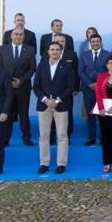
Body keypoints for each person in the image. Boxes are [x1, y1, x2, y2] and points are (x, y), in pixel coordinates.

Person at [34, 42, 74, 175]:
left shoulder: (67, 66)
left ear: (61, 52)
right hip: (44, 105)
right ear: (48, 51)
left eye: (57, 49)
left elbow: (70, 87)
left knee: (62, 135)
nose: (55, 52)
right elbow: (36, 87)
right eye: (52, 49)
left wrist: (57, 100)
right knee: (43, 136)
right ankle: (44, 164)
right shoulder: (42, 65)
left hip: (61, 105)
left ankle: (61, 164)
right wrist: (45, 100)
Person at [0, 27, 36, 146]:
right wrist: (8, 82)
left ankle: (26, 138)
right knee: (7, 112)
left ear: (24, 37)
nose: (18, 36)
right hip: (7, 87)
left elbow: (32, 68)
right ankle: (5, 139)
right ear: (11, 36)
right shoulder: (3, 49)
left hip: (23, 87)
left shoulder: (29, 49)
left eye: (21, 35)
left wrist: (21, 80)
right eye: (16, 34)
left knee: (23, 114)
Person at [78, 34, 111, 146]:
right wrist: (90, 83)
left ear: (101, 42)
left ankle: (103, 137)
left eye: (97, 41)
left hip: (104, 89)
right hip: (89, 88)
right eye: (93, 41)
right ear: (90, 43)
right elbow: (81, 71)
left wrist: (99, 83)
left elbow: (110, 71)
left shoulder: (108, 54)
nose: (95, 43)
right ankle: (91, 137)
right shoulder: (84, 55)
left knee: (104, 114)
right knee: (90, 113)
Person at [50, 34, 78, 143]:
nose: (60, 43)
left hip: (67, 91)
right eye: (58, 41)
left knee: (68, 114)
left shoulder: (72, 54)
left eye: (62, 41)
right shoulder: (47, 54)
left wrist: (75, 88)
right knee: (51, 115)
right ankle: (52, 136)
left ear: (65, 43)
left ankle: (67, 136)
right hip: (51, 92)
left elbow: (76, 72)